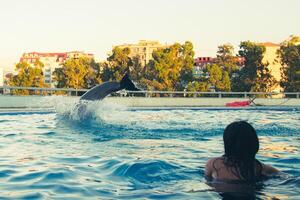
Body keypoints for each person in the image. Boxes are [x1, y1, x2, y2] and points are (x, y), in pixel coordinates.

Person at [205, 121, 279, 182]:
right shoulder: (261, 168)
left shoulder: (213, 164)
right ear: (254, 143)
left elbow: (208, 183)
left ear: (227, 143)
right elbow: (287, 177)